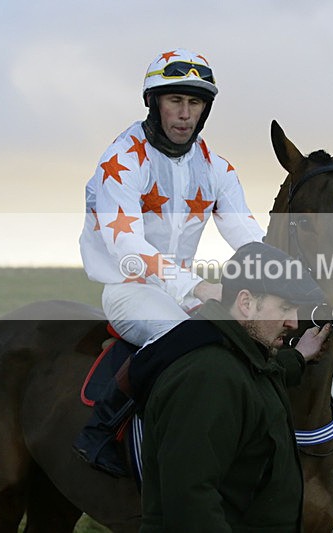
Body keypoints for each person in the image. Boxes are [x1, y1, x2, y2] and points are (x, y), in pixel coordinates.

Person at [74, 48, 264, 475]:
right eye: (174, 100)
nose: (184, 114)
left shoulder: (217, 168)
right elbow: (128, 249)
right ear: (154, 103)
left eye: (194, 102)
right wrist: (197, 287)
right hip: (129, 290)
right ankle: (101, 429)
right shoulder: (121, 162)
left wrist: (286, 276)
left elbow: (248, 238)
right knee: (186, 340)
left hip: (182, 289)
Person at [138, 241, 331, 531]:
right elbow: (191, 504)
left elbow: (264, 374)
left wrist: (300, 358)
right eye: (285, 307)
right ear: (245, 303)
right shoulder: (207, 378)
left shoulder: (239, 358)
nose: (293, 322)